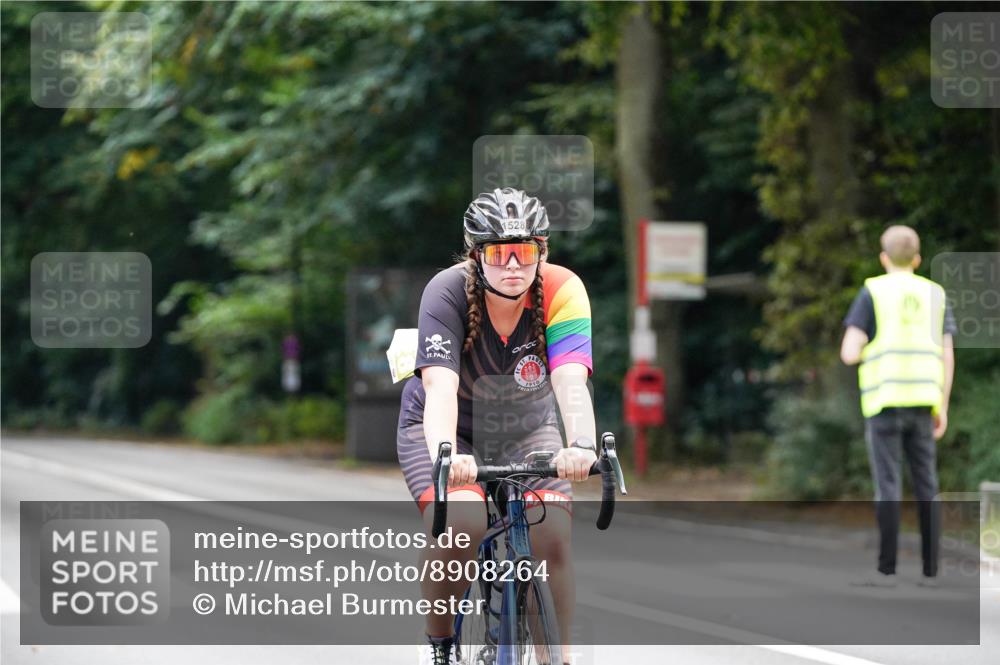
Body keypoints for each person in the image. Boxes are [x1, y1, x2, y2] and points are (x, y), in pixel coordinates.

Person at [396, 188, 597, 665]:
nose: (512, 265)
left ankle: (558, 658)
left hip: (528, 427)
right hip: (449, 427)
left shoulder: (564, 290)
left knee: (551, 537)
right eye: (498, 252)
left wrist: (583, 445)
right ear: (476, 255)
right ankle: (440, 644)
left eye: (524, 252)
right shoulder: (444, 291)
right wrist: (449, 454)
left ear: (542, 253)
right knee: (463, 525)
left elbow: (571, 381)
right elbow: (440, 391)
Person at [840, 225, 956, 588]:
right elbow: (946, 353)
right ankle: (931, 570)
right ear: (918, 259)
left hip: (884, 402)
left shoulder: (873, 291)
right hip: (925, 402)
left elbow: (849, 351)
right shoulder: (935, 293)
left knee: (888, 486)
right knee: (927, 485)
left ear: (884, 257)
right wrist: (943, 404)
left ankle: (887, 570)